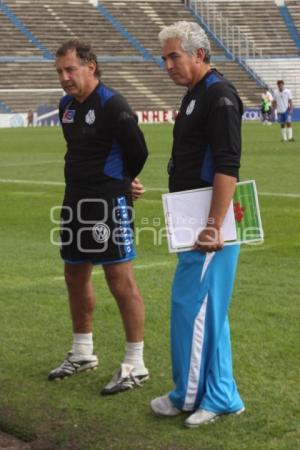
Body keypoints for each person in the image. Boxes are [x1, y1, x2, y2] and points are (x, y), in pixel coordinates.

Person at [150, 21, 245, 427]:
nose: (168, 64)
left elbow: (227, 166)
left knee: (190, 307)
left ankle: (186, 396)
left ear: (199, 55)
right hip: (192, 216)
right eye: (165, 57)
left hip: (209, 223)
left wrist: (212, 225)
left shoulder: (219, 96)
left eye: (175, 56)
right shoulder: (196, 94)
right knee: (210, 312)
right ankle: (222, 395)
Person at [48, 39, 149, 395]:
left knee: (120, 279)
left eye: (70, 69)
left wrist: (123, 182)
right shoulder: (66, 107)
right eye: (60, 71)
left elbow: (138, 151)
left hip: (109, 202)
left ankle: (135, 363)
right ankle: (82, 352)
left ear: (90, 66)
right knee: (74, 273)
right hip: (75, 200)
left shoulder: (113, 104)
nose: (64, 77)